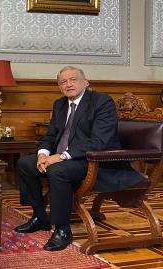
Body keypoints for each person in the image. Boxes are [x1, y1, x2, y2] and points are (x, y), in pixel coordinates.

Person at [14, 66, 144, 251]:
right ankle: (40, 216)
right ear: (59, 87)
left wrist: (60, 157)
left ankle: (62, 230)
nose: (68, 84)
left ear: (85, 82)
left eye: (73, 79)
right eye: (63, 82)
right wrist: (43, 155)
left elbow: (98, 141)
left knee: (57, 170)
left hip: (96, 161)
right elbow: (50, 136)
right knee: (26, 163)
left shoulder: (101, 101)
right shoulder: (59, 104)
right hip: (68, 159)